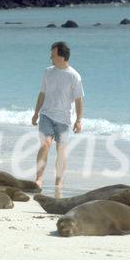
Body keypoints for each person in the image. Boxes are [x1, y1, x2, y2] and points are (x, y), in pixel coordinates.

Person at [31, 41, 84, 196]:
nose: (50, 57)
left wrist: (79, 120)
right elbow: (42, 93)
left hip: (64, 119)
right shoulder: (47, 72)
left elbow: (79, 100)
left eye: (53, 55)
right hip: (46, 115)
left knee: (61, 150)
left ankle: (59, 181)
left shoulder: (74, 76)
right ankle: (39, 179)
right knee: (45, 145)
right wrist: (36, 113)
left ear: (61, 56)